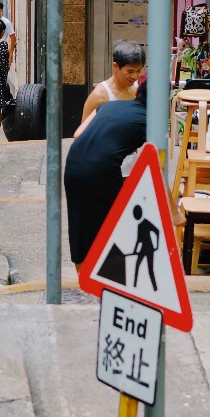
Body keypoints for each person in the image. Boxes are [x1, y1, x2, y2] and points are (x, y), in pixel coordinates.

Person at [64, 82, 149, 269]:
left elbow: (78, 133)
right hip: (102, 169)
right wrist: (174, 214)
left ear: (136, 92)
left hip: (73, 163)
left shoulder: (108, 105)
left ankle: (86, 285)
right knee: (113, 230)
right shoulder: (149, 121)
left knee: (82, 228)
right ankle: (107, 285)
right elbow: (156, 165)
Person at [82, 40, 146, 123]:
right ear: (115, 66)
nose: (134, 76)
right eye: (130, 71)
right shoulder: (99, 95)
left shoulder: (139, 88)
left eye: (138, 71)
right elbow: (84, 132)